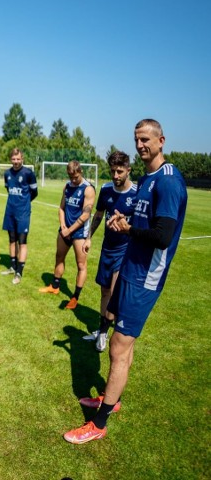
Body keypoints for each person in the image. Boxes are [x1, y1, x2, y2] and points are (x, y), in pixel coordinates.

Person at [64, 119, 187, 444]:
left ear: (162, 139)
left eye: (146, 139)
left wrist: (129, 229)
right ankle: (110, 398)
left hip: (146, 276)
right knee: (121, 344)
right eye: (137, 140)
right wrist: (126, 221)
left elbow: (162, 236)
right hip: (131, 267)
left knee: (118, 347)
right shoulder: (147, 179)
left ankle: (99, 423)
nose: (141, 145)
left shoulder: (169, 181)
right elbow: (145, 219)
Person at [82, 151, 137, 352]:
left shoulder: (136, 194)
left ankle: (104, 333)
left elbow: (141, 224)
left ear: (128, 170)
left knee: (114, 292)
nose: (115, 175)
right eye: (113, 171)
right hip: (108, 248)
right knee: (104, 291)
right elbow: (98, 215)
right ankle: (103, 328)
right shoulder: (105, 190)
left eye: (120, 171)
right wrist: (88, 238)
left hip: (125, 250)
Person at [38, 161, 96, 308]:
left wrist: (70, 231)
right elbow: (61, 208)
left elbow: (85, 215)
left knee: (81, 264)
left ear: (80, 172)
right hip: (65, 230)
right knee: (59, 256)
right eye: (70, 177)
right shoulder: (67, 186)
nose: (73, 180)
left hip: (79, 233)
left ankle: (75, 297)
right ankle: (55, 286)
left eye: (75, 177)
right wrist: (63, 226)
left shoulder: (88, 189)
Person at [0, 149, 39, 284]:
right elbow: (8, 189)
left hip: (23, 212)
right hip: (10, 210)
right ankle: (12, 266)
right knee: (12, 239)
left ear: (22, 159)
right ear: (11, 159)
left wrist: (24, 203)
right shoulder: (7, 174)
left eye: (18, 159)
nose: (16, 162)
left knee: (22, 241)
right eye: (13, 159)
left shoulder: (28, 173)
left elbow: (35, 193)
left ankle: (19, 272)